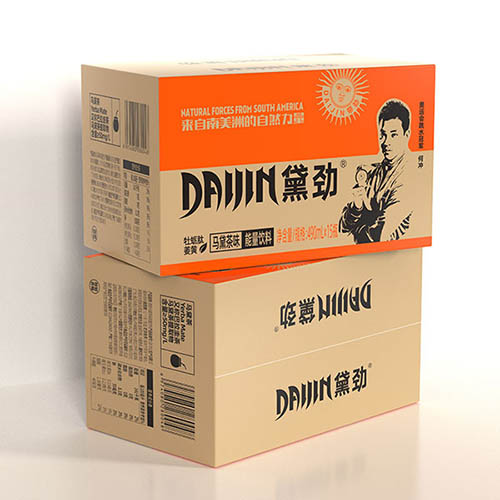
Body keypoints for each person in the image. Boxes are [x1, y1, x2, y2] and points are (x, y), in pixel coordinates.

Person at [339, 99, 413, 244]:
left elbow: (380, 235)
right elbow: (343, 227)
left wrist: (358, 227)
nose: (386, 142)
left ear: (407, 134)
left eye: (394, 135)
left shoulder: (410, 177)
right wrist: (356, 207)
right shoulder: (374, 172)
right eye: (382, 135)